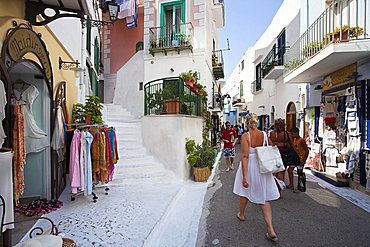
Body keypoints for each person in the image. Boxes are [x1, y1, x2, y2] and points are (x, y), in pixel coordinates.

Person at [233, 113, 280, 242]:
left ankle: (241, 214)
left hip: (251, 167)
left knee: (244, 191)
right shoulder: (264, 135)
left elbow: (245, 156)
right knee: (263, 198)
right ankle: (270, 229)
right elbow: (270, 149)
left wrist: (244, 176)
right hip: (263, 167)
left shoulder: (246, 136)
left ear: (247, 123)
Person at [289, 127, 309, 192]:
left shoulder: (301, 140)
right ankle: (291, 184)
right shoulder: (294, 140)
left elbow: (306, 150)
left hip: (300, 158)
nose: (292, 135)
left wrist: (303, 160)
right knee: (290, 170)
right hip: (295, 158)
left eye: (292, 134)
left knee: (299, 173)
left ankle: (299, 187)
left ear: (296, 133)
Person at [269, 119, 289, 183]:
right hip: (283, 153)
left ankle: (273, 185)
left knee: (274, 170)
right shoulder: (286, 134)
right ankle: (280, 187)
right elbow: (290, 145)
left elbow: (269, 144)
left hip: (273, 153)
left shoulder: (271, 133)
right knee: (281, 171)